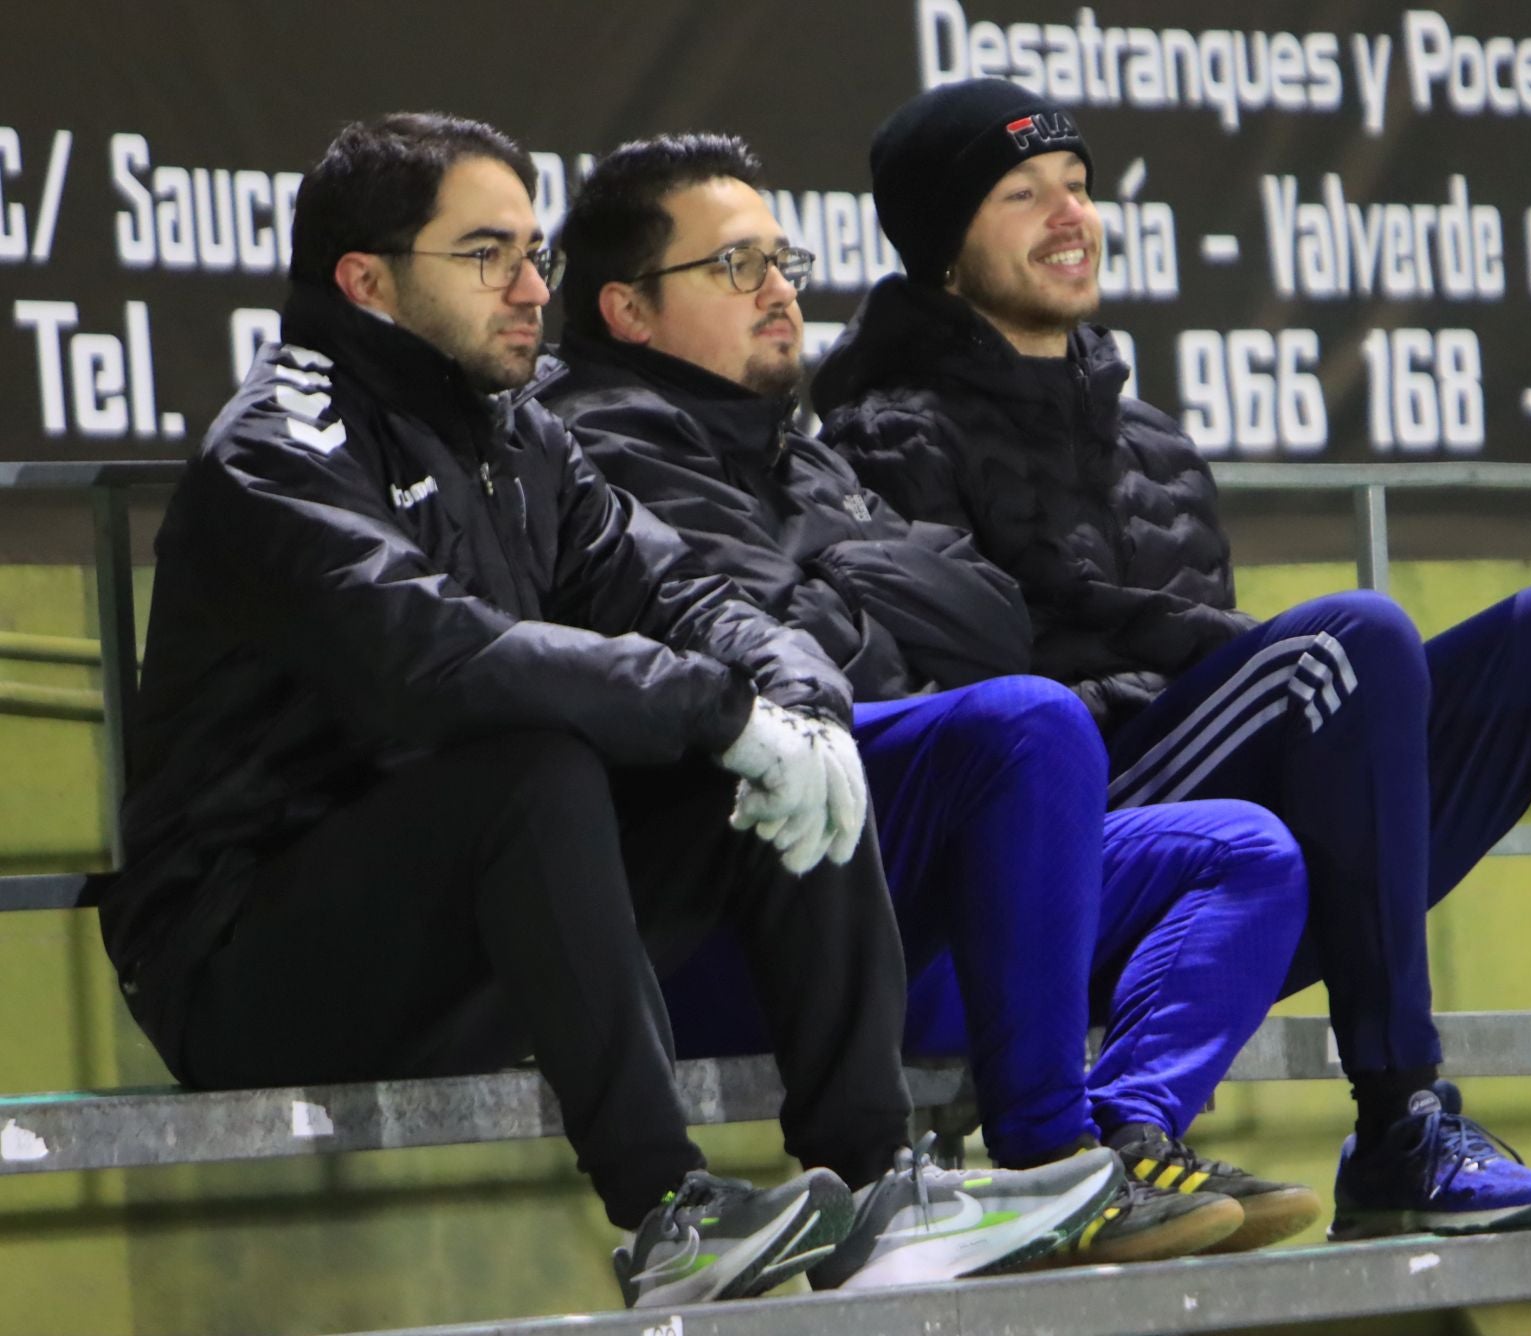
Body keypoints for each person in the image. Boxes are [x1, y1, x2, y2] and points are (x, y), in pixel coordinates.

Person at [91, 111, 1125, 1310]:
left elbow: (683, 590)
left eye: (536, 252)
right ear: (367, 281)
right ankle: (666, 1214)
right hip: (244, 962)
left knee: (780, 756)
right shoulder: (281, 442)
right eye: (487, 254)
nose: (533, 286)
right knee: (534, 762)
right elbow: (434, 659)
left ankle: (875, 1182)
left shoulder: (521, 438)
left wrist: (791, 700)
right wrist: (713, 704)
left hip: (457, 929)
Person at [811, 79, 1531, 1240]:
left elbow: (1221, 678)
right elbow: (966, 703)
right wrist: (1211, 681)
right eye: (1020, 196)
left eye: (1077, 186)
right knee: (1352, 643)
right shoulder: (884, 433)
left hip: (1242, 865)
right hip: (1074, 864)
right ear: (941, 255)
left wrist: (1230, 687)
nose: (1069, 217)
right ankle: (1400, 1116)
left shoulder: (1151, 441)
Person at [537, 132, 1321, 1262]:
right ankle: (1053, 1164)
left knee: (1243, 849)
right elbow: (798, 661)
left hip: (883, 910)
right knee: (1032, 724)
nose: (779, 293)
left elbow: (992, 620)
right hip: (726, 923)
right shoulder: (601, 446)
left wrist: (834, 577)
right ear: (627, 310)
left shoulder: (800, 457)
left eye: (783, 261)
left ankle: (1126, 1135)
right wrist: (868, 590)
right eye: (734, 267)